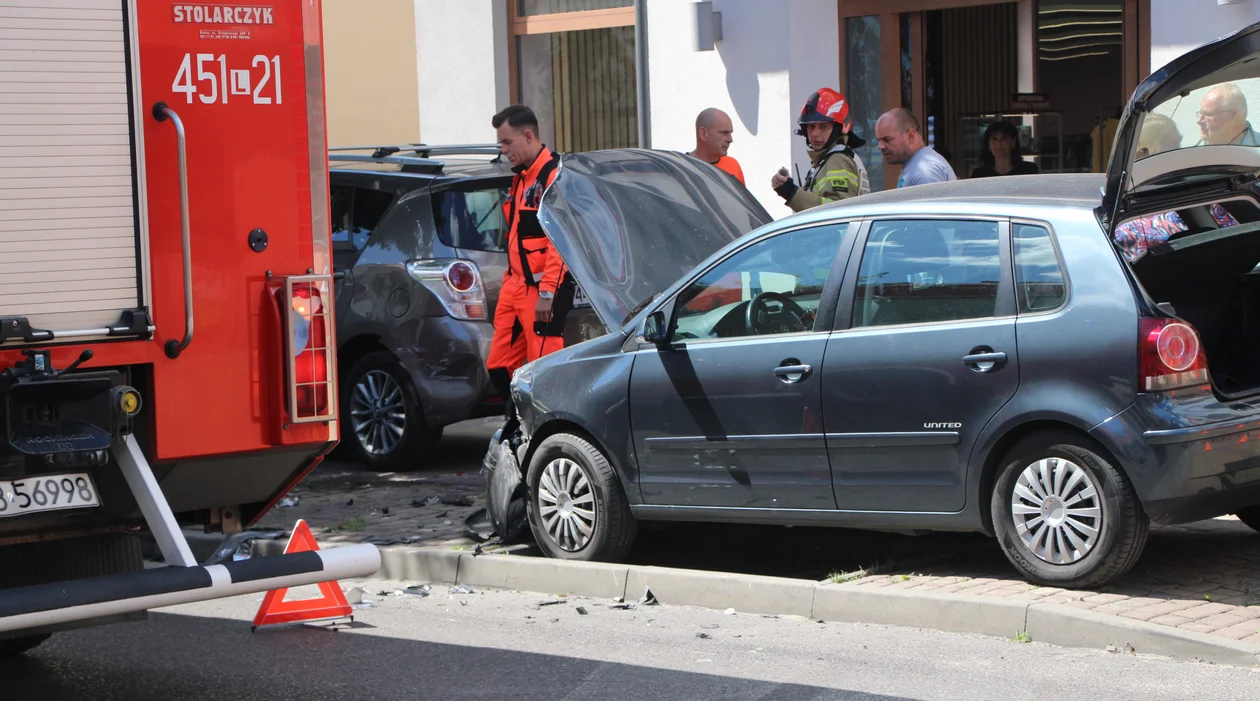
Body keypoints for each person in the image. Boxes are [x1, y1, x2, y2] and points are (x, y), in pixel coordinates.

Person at [484, 105, 572, 405]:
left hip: (541, 293)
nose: (503, 150)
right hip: (516, 287)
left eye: (507, 142)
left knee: (546, 373)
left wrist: (548, 293)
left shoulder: (552, 176)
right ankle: (520, 422)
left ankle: (544, 432)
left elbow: (560, 242)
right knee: (498, 366)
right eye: (501, 143)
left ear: (528, 135)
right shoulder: (522, 177)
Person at [771, 88, 870, 211]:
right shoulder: (827, 160)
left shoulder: (837, 160)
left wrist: (791, 192)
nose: (815, 133)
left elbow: (838, 211)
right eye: (811, 126)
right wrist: (789, 187)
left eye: (823, 126)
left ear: (838, 129)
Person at [874, 107, 956, 187]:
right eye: (879, 140)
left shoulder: (925, 172)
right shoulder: (917, 166)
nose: (880, 146)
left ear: (911, 136)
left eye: (887, 139)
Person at [689, 107, 744, 185]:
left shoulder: (732, 165)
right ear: (704, 134)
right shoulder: (683, 167)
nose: (730, 139)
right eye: (724, 133)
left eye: (730, 133)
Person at [970, 121, 1039, 178]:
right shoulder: (979, 174)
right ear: (988, 143)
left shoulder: (1029, 170)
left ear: (1013, 142)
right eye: (994, 139)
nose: (999, 144)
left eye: (1004, 139)